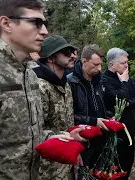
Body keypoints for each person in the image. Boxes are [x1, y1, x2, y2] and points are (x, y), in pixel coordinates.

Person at [0, 0, 83, 179]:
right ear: (6, 24)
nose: (44, 31)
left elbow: (26, 136)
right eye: (36, 22)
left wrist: (60, 136)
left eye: (43, 23)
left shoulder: (28, 73)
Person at [33, 35, 87, 180]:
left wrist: (75, 150)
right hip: (49, 168)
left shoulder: (65, 85)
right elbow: (35, 132)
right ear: (50, 58)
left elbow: (68, 123)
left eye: (72, 51)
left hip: (68, 163)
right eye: (66, 52)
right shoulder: (39, 86)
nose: (72, 55)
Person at [67, 44, 111, 178]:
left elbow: (99, 107)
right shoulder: (71, 82)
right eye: (95, 64)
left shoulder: (99, 81)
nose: (99, 69)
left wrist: (109, 117)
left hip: (101, 140)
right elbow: (68, 116)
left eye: (100, 65)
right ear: (84, 61)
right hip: (82, 142)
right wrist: (93, 121)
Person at [101, 47, 135, 180]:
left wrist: (128, 104)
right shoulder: (105, 80)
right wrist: (124, 83)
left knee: (128, 162)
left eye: (127, 62)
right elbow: (116, 99)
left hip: (130, 130)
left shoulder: (128, 79)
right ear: (111, 64)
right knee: (115, 165)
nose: (126, 66)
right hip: (116, 133)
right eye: (123, 63)